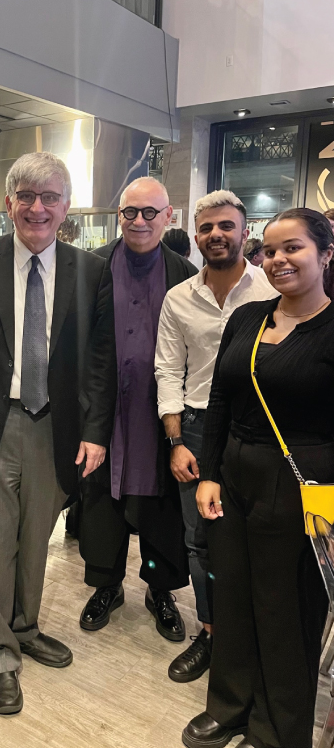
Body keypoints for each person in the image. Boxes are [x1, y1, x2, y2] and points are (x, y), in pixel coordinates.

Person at [0, 151, 116, 715]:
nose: (37, 207)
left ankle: (24, 625)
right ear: (8, 203)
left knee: (36, 539)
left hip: (56, 427)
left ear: (66, 207)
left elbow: (100, 358)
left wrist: (95, 431)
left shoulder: (90, 269)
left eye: (50, 197)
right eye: (26, 196)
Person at [183, 207, 333, 748]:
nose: (278, 260)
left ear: (325, 254)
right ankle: (230, 704)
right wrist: (211, 473)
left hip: (300, 482)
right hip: (236, 474)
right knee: (235, 596)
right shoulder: (249, 319)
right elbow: (220, 398)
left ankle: (277, 729)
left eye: (293, 248)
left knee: (285, 609)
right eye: (270, 250)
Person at [155, 190, 277, 685]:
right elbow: (168, 370)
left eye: (226, 226)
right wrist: (176, 440)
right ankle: (210, 631)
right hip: (198, 427)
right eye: (206, 228)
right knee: (200, 539)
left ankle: (251, 638)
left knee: (257, 538)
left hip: (263, 430)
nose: (215, 235)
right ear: (196, 235)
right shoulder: (179, 298)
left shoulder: (274, 288)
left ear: (245, 232)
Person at [78, 177, 195, 643]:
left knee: (160, 506)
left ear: (169, 217)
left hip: (159, 411)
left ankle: (159, 590)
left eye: (151, 212)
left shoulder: (186, 274)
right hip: (104, 410)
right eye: (130, 212)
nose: (140, 221)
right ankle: (107, 585)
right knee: (101, 503)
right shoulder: (94, 268)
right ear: (118, 215)